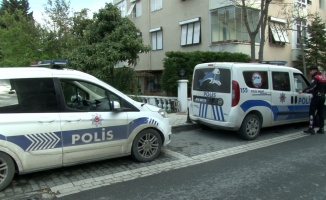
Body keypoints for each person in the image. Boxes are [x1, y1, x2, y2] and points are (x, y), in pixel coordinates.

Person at [299, 66, 326, 134]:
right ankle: (321, 128)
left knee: (312, 112)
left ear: (314, 70)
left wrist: (303, 91)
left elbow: (312, 87)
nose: (310, 72)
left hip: (316, 97)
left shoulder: (316, 77)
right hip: (322, 96)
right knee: (321, 113)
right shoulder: (323, 77)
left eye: (311, 71)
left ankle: (311, 128)